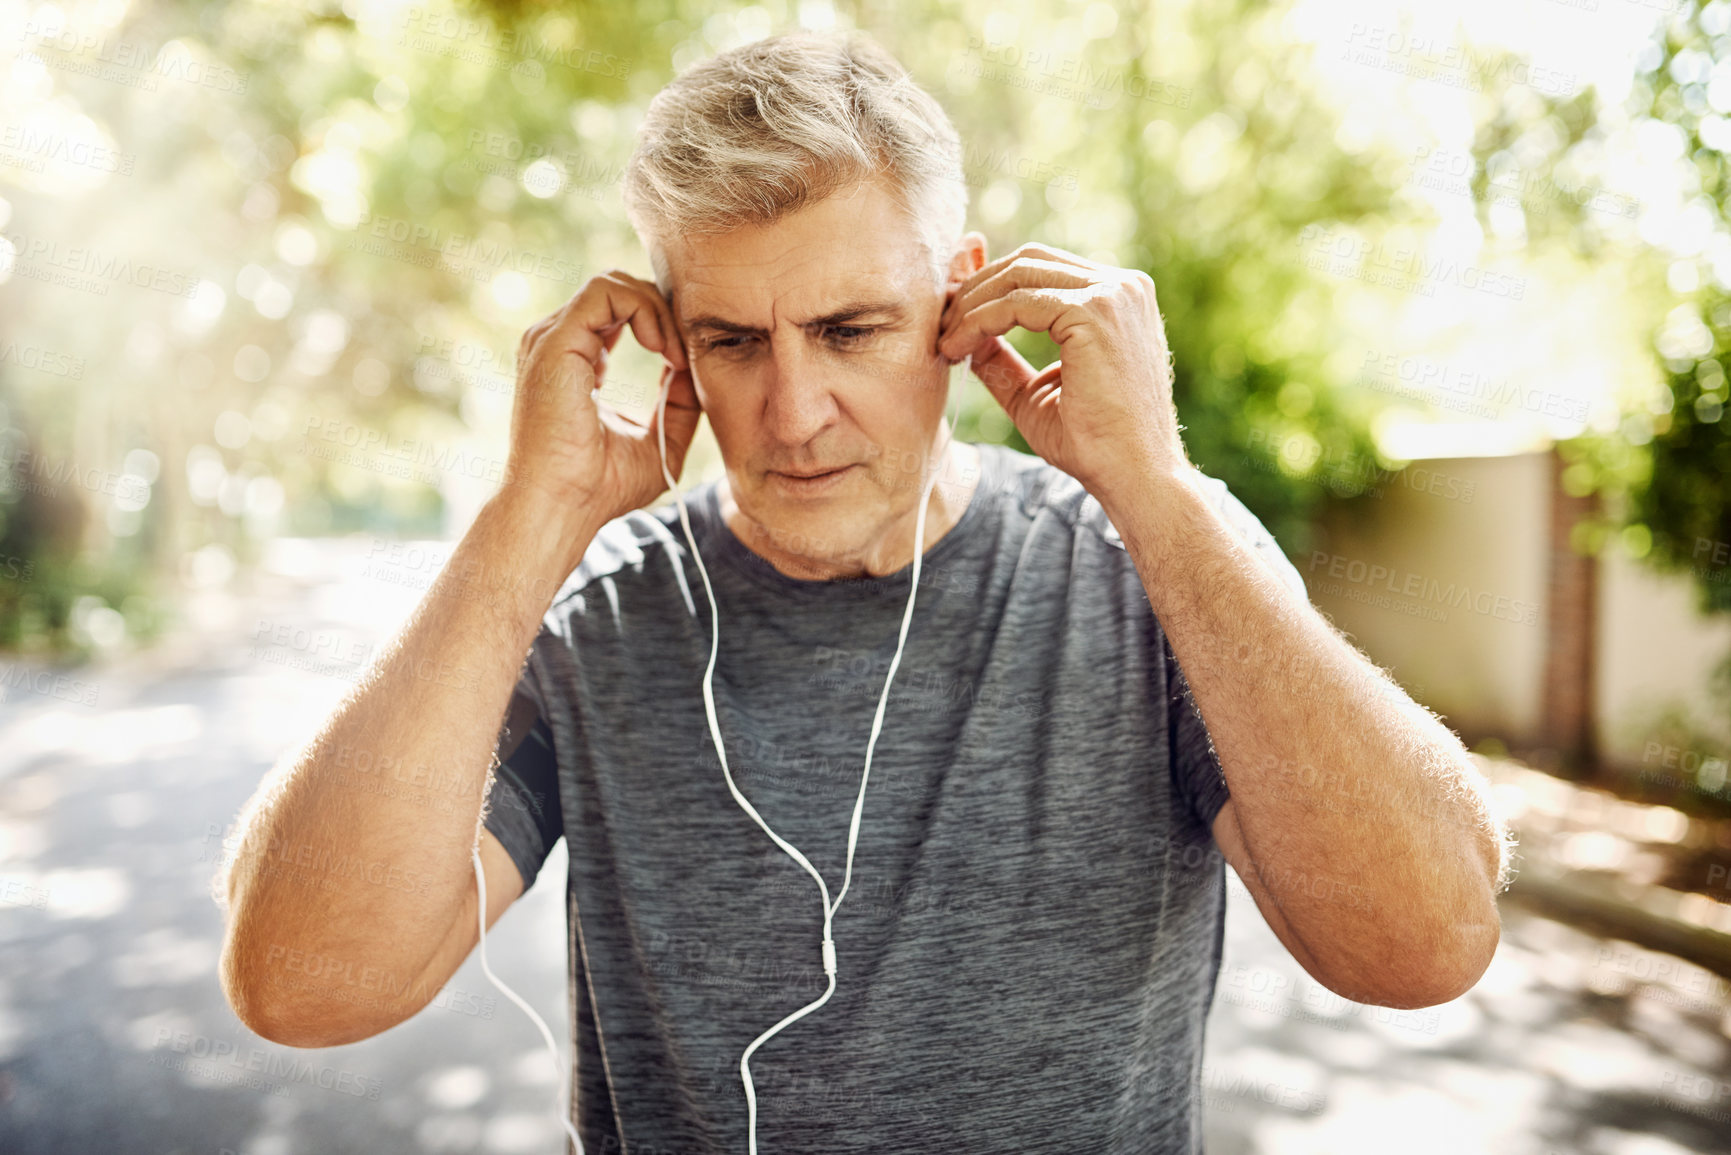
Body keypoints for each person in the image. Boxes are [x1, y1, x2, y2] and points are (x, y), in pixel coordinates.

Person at [216, 29, 1514, 1154]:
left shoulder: (1150, 565)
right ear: (671, 342)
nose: (792, 412)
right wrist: (522, 526)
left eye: (851, 331)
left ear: (963, 297)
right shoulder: (597, 614)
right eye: (734, 340)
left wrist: (1161, 491)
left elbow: (1425, 945)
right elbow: (300, 984)